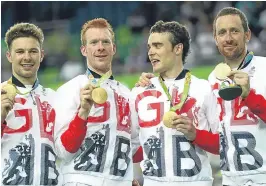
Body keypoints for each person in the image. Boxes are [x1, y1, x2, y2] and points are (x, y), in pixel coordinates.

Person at [137, 7, 266, 186]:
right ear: (215, 39)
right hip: (231, 180)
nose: (228, 38)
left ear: (247, 35)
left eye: (234, 31)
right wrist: (195, 134)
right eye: (222, 33)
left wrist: (249, 96)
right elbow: (222, 141)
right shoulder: (213, 79)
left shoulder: (265, 68)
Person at [131, 20, 220, 186]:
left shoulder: (203, 89)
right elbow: (129, 146)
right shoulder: (139, 92)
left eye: (157, 46)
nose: (150, 52)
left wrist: (196, 135)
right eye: (149, 47)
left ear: (178, 48)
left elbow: (223, 144)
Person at [53, 18, 139, 186]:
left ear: (113, 48)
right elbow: (63, 151)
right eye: (94, 42)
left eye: (105, 42)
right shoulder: (70, 89)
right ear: (84, 50)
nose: (100, 47)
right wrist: (83, 112)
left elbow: (134, 146)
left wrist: (126, 177)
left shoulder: (127, 93)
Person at [1, 23, 61, 185]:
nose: (27, 57)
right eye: (20, 52)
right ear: (9, 56)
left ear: (41, 55)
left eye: (33, 51)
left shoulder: (56, 98)